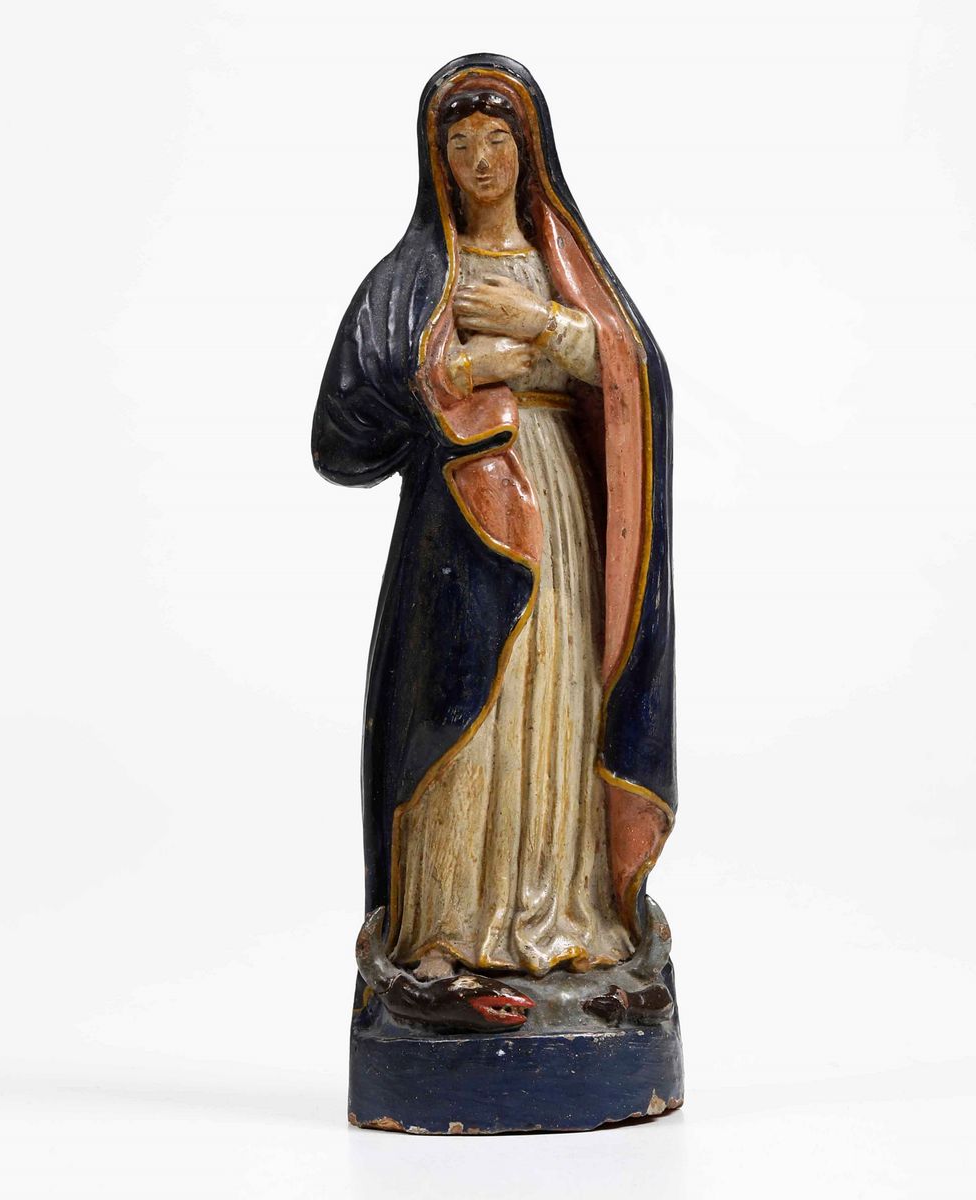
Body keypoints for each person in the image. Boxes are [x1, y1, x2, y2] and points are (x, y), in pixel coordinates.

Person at [313, 54, 677, 1015]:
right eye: (462, 144)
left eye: (499, 140)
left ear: (531, 150)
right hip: (459, 524)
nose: (481, 160)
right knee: (463, 707)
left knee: (555, 699)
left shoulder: (565, 269)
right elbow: (343, 431)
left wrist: (540, 326)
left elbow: (636, 373)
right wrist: (454, 376)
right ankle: (443, 933)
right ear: (436, 160)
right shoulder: (413, 279)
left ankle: (566, 920)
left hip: (556, 505)